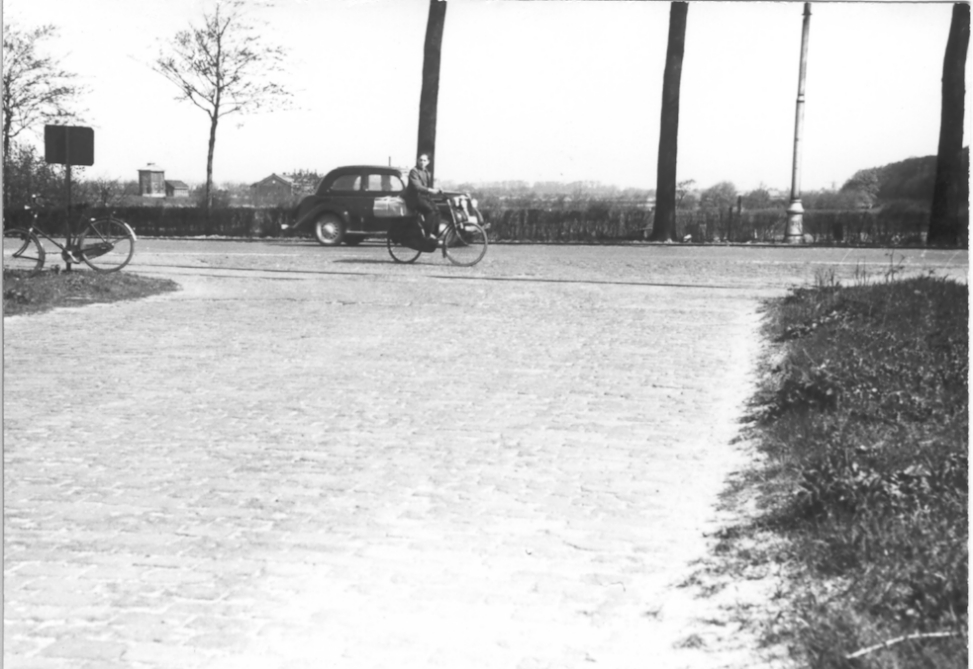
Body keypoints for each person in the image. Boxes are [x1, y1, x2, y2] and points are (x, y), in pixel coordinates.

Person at [404, 153, 442, 240]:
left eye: (424, 160)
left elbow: (429, 184)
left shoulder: (426, 172)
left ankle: (434, 234)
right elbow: (417, 187)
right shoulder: (414, 171)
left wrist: (438, 188)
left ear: (428, 162)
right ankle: (427, 235)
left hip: (422, 197)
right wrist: (431, 190)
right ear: (417, 161)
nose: (422, 162)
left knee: (437, 211)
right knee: (430, 211)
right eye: (420, 160)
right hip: (413, 198)